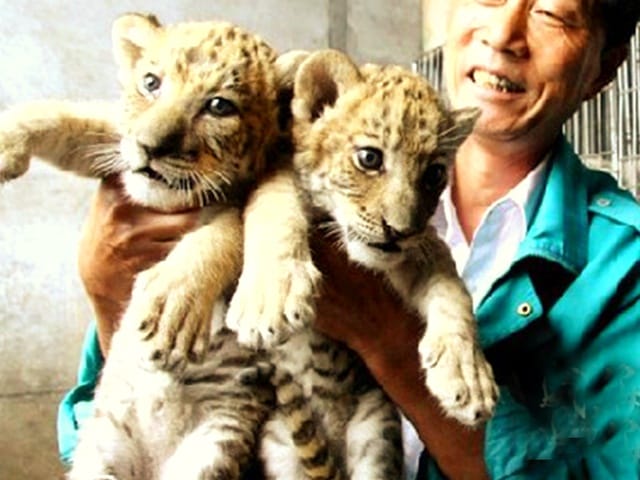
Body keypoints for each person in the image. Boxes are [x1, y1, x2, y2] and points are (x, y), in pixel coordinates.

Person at [58, 0, 640, 478]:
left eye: (553, 14)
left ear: (607, 67)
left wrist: (385, 338)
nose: (503, 33)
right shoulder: (324, 127)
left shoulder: (624, 265)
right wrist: (109, 293)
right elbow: (102, 422)